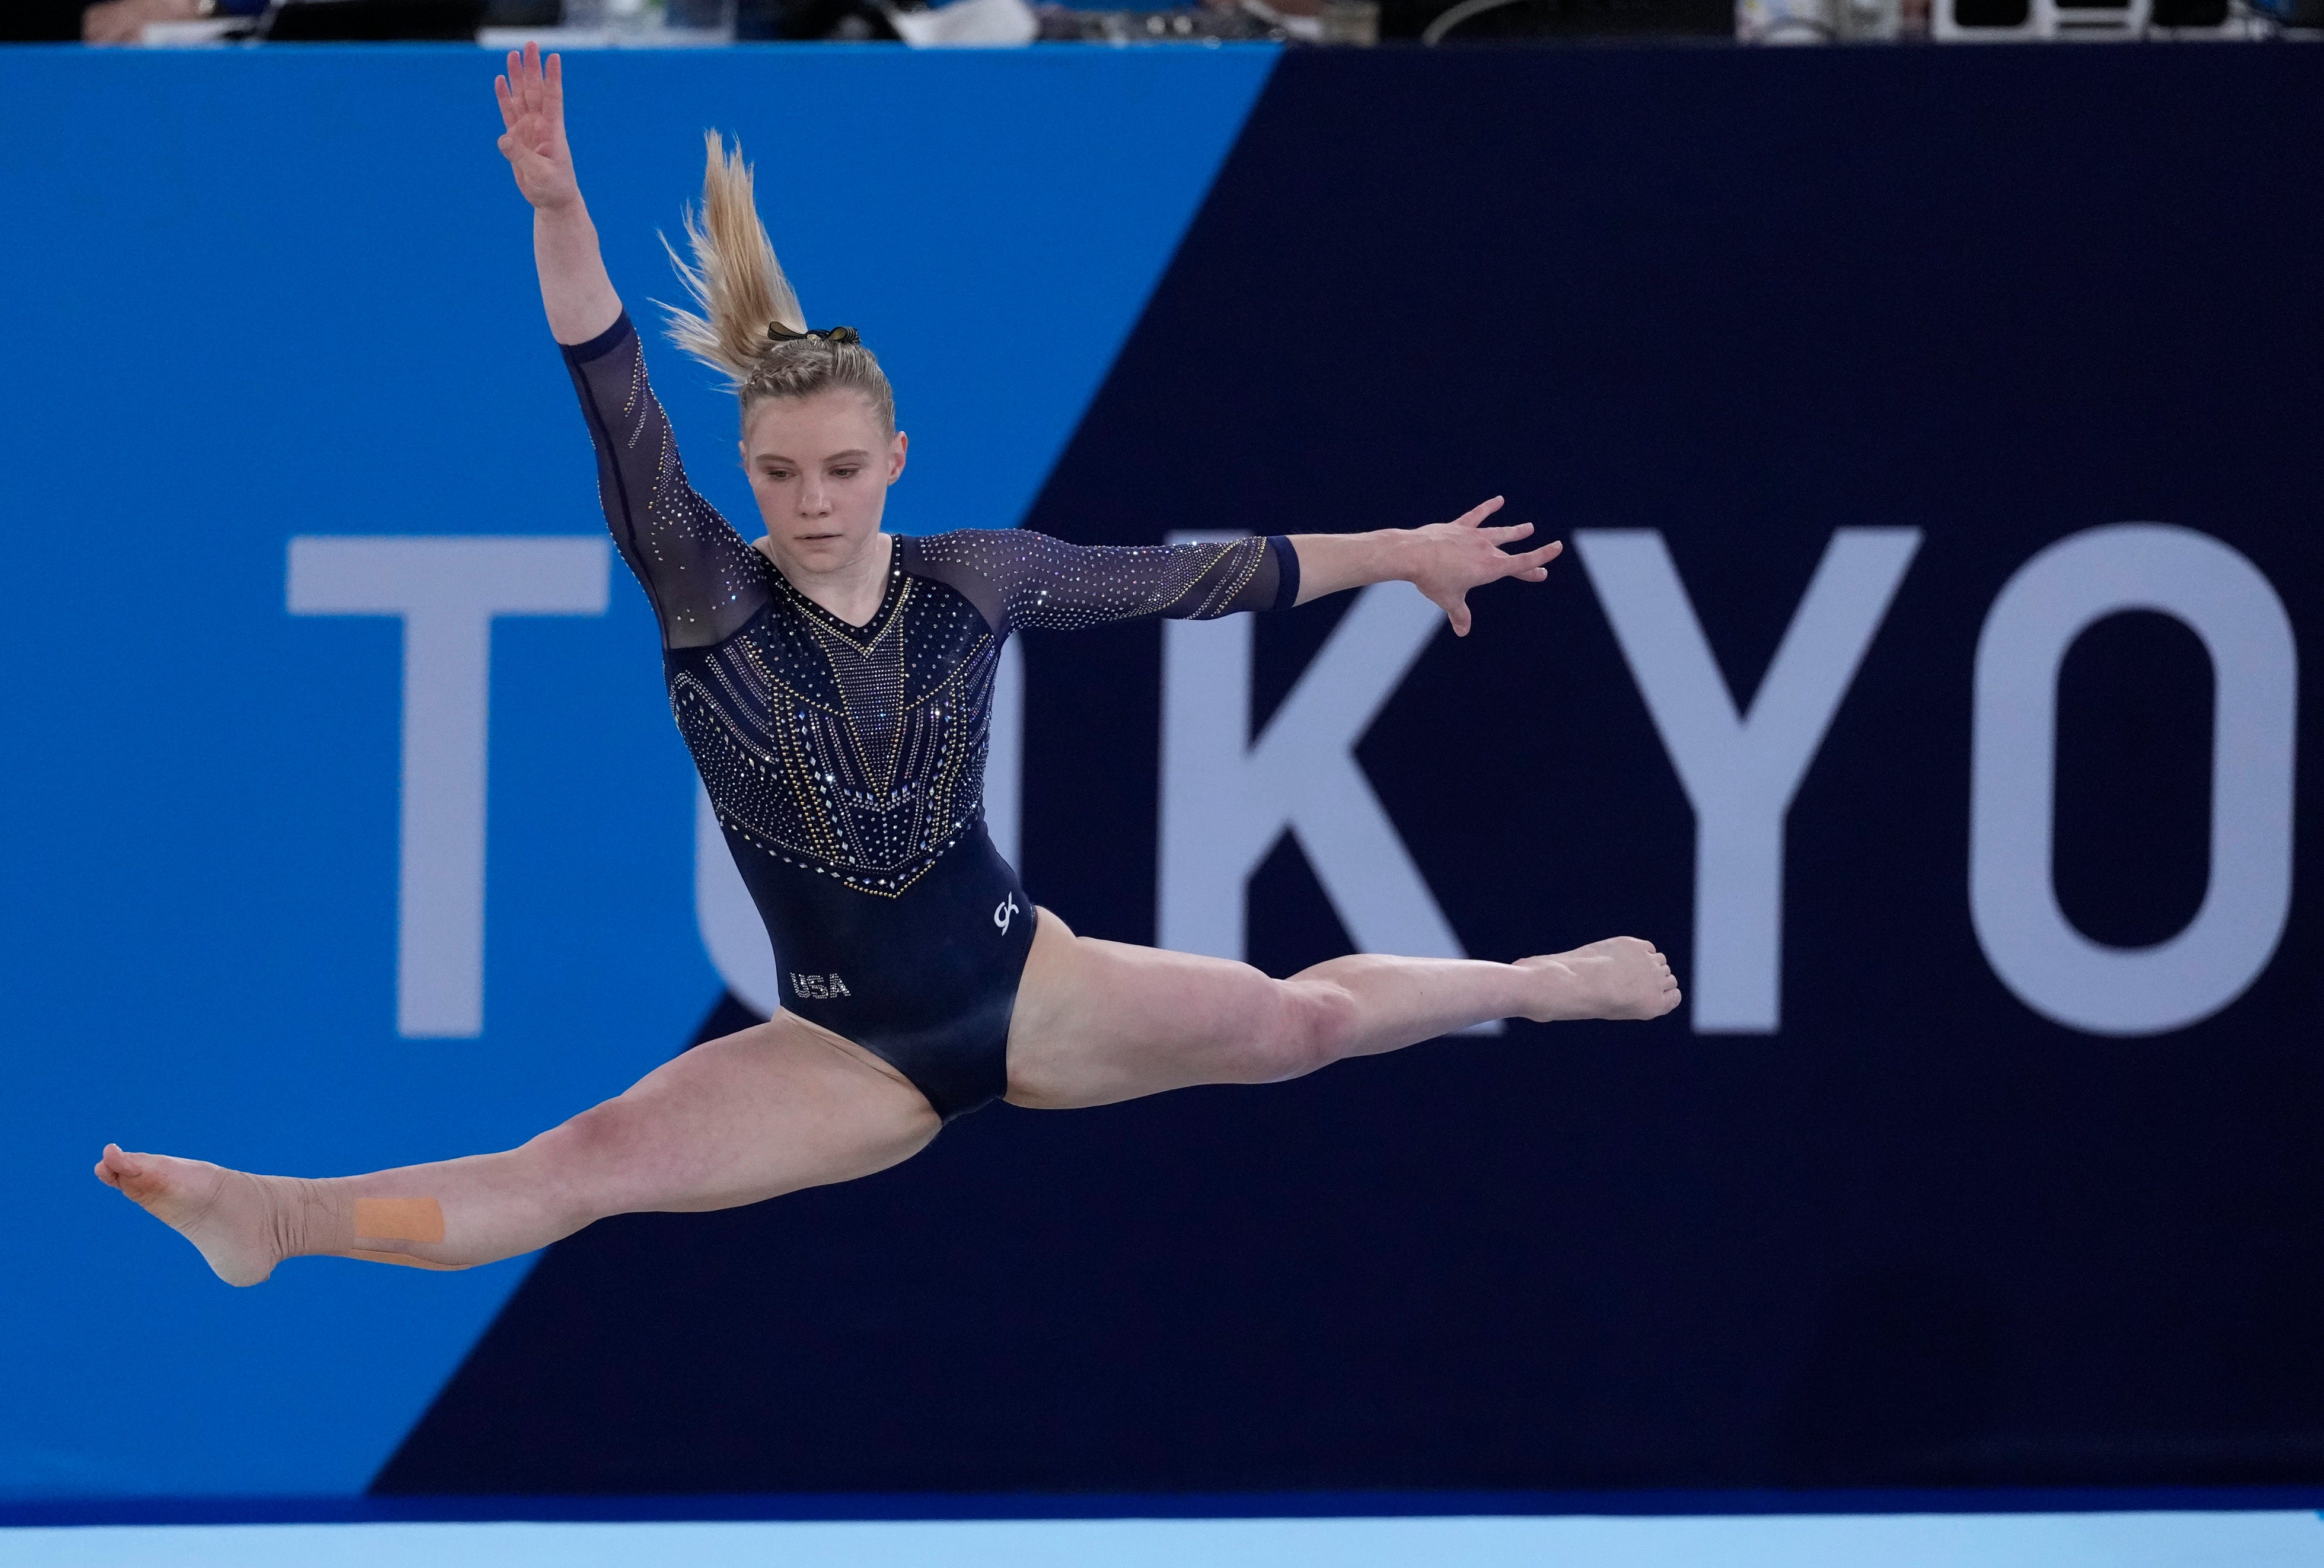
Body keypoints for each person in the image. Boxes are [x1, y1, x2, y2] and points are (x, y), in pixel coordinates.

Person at [95, 43, 1681, 1285]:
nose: (811, 502)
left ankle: (1541, 980)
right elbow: (611, 386)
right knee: (580, 1167)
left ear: (896, 456)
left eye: (842, 469)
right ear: (749, 467)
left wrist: (1398, 551)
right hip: (840, 1049)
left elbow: (1198, 577)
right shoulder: (706, 589)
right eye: (779, 473)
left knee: (1295, 1025)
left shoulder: (974, 579)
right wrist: (560, 210)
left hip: (1025, 980)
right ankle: (278, 1216)